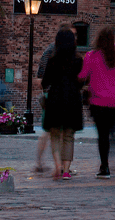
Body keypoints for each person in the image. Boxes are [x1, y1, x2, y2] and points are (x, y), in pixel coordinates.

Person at [80, 27, 115, 179]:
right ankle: (114, 136)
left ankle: (104, 166)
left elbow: (83, 75)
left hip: (98, 101)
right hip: (114, 101)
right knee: (109, 130)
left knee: (102, 135)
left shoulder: (92, 56)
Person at [41, 28, 84, 180]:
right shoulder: (79, 59)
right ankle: (66, 170)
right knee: (69, 136)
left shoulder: (53, 60)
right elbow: (82, 80)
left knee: (55, 135)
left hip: (55, 99)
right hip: (72, 99)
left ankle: (58, 165)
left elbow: (45, 82)